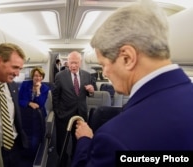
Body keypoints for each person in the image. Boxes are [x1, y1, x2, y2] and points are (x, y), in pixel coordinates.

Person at [72, 0, 193, 167]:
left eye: (103, 65)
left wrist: (85, 141)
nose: (105, 73)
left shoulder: (115, 138)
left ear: (127, 58)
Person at [52, 51, 95, 167]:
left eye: (76, 63)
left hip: (80, 114)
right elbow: (55, 96)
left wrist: (91, 91)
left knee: (78, 140)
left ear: (80, 62)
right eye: (71, 63)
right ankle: (62, 160)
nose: (73, 66)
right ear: (67, 63)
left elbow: (89, 93)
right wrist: (57, 112)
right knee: (62, 141)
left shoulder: (87, 75)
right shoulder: (60, 76)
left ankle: (75, 159)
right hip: (64, 115)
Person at [18, 67, 49, 158]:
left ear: (42, 77)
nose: (37, 78)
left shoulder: (45, 88)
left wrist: (38, 91)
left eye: (40, 76)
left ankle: (35, 156)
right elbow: (19, 99)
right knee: (25, 135)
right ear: (32, 76)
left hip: (38, 116)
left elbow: (40, 104)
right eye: (36, 75)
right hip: (25, 114)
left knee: (36, 137)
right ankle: (25, 155)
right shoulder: (25, 84)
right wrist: (29, 103)